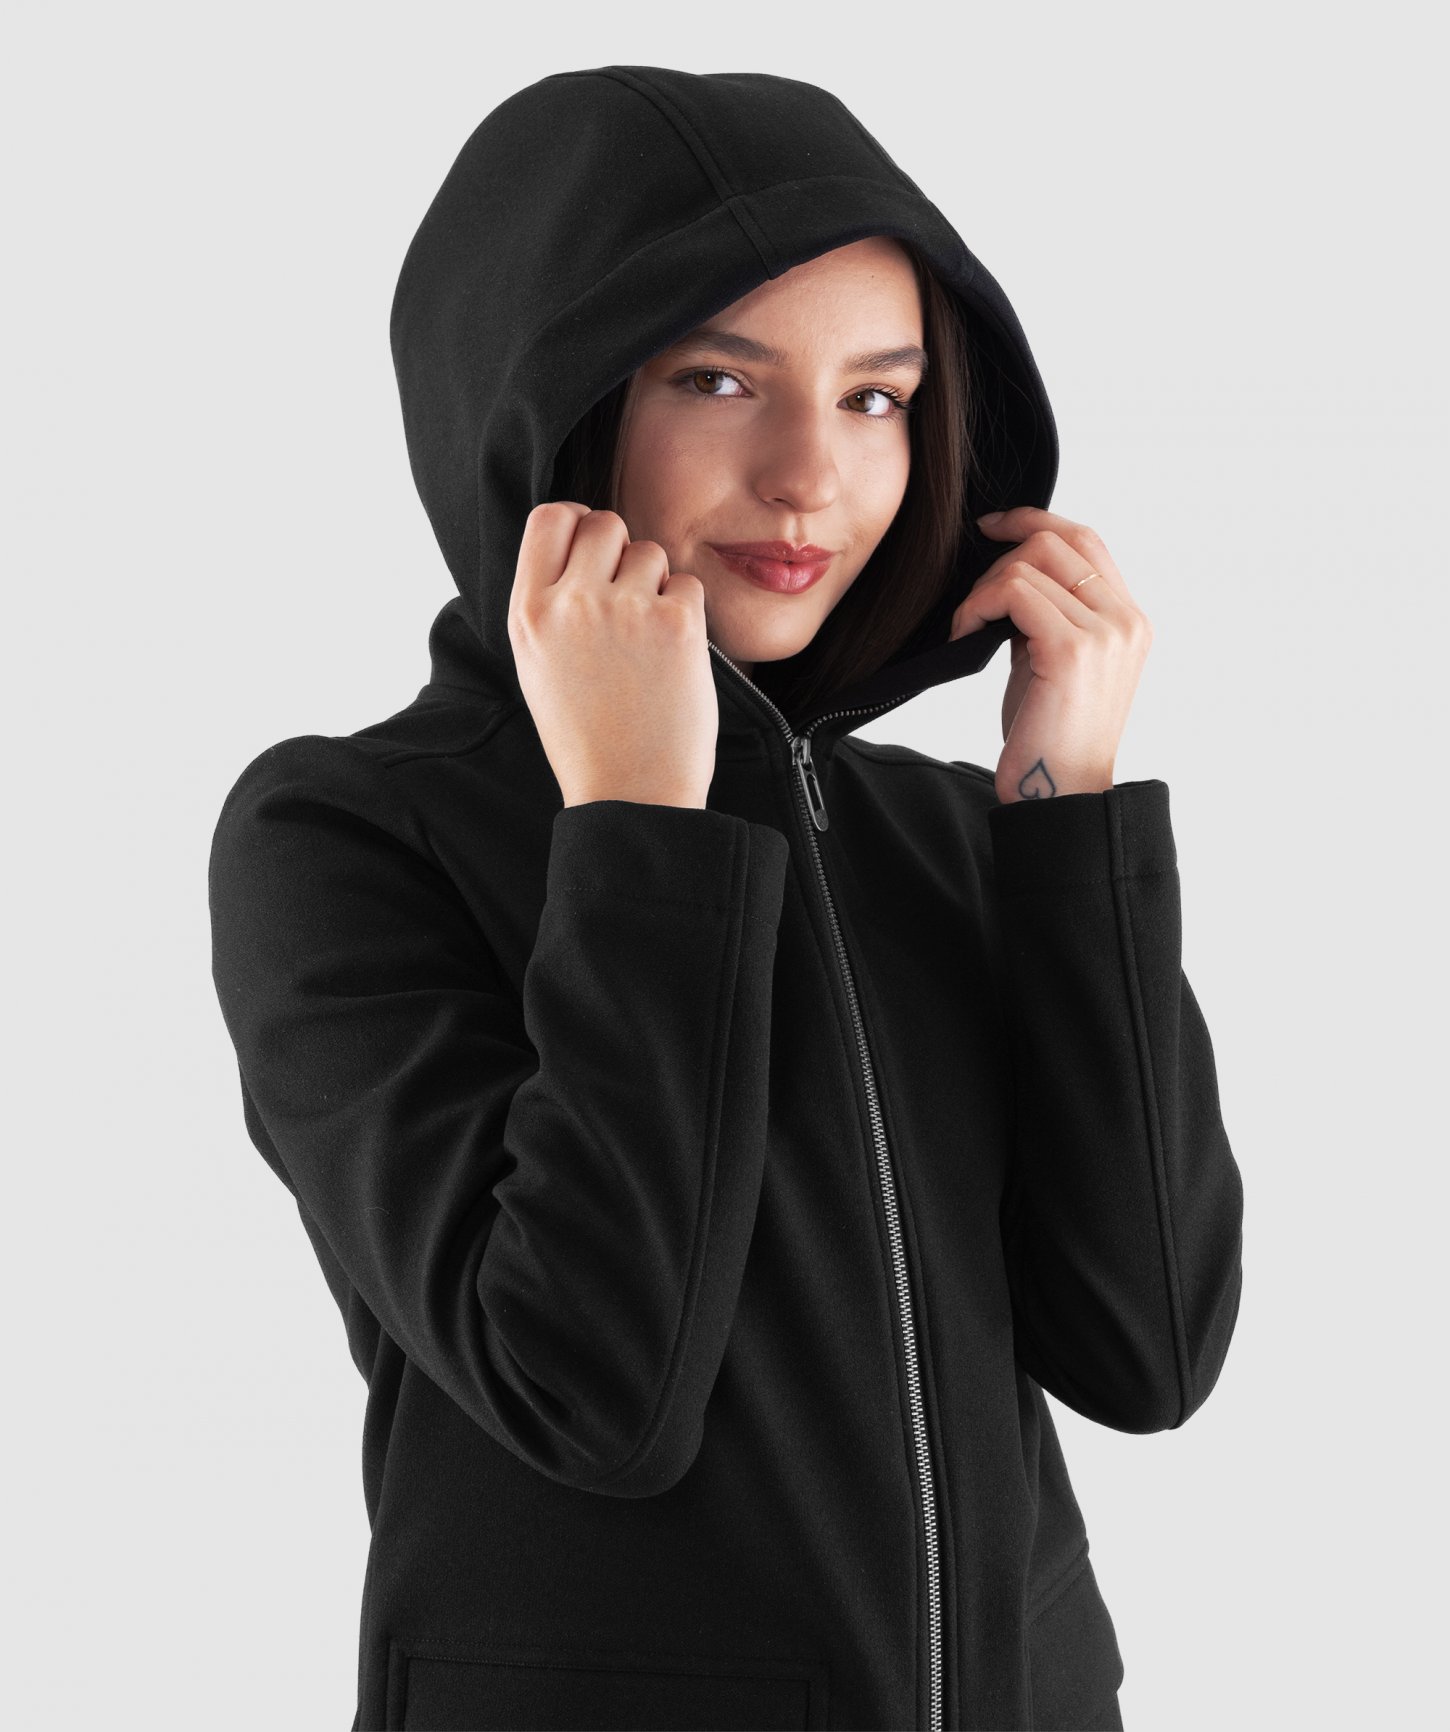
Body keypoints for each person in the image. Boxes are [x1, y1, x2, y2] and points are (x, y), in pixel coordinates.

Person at [208, 64, 1244, 1732]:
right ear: (549, 403)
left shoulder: (946, 831)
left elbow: (1149, 1349)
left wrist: (1066, 814)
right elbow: (588, 1388)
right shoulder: (347, 834)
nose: (809, 476)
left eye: (875, 397)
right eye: (716, 379)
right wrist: (638, 821)